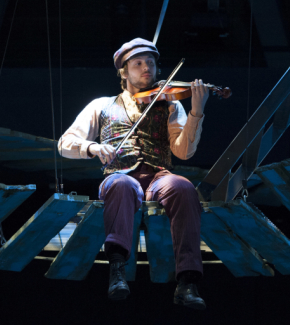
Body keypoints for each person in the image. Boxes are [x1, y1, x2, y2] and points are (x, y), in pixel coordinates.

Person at [58, 38, 209, 310]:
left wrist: (197, 112)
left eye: (150, 62)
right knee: (120, 183)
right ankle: (117, 270)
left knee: (184, 187)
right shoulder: (101, 105)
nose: (146, 68)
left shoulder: (170, 104)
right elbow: (65, 144)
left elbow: (183, 152)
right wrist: (91, 147)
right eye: (138, 63)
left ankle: (187, 282)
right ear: (124, 72)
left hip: (159, 176)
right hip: (120, 174)